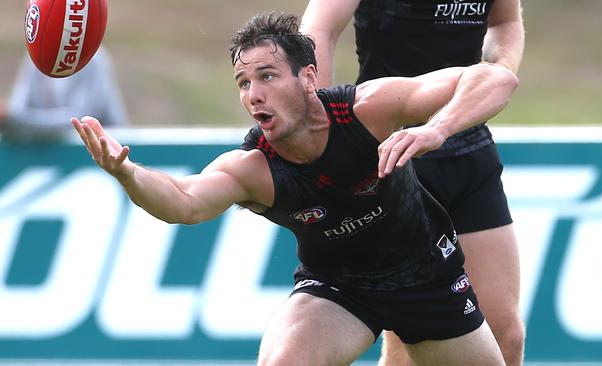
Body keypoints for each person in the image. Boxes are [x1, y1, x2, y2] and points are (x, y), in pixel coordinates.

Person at [72, 12, 518, 365]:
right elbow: (185, 203)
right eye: (244, 83)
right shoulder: (254, 168)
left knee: (506, 343)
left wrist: (435, 129)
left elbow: (497, 78)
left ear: (308, 78)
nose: (253, 94)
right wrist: (127, 173)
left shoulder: (367, 110)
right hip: (341, 290)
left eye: (267, 76)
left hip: (428, 280)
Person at [300, 0, 526, 364]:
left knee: (505, 336)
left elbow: (505, 22)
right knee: (411, 344)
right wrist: (322, 138)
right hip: (390, 153)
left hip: (468, 148)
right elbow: (318, 31)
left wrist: (497, 70)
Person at [0, 47, 128, 143]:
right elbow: (18, 111)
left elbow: (81, 122)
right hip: (52, 158)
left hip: (102, 163)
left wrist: (13, 118)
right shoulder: (34, 57)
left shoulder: (92, 58)